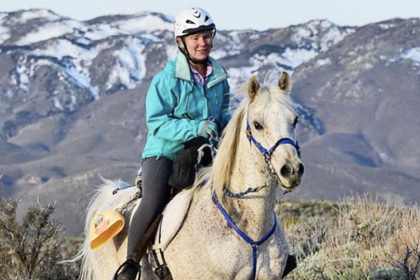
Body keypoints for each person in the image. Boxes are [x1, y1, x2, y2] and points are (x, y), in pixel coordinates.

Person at [115, 7, 231, 280]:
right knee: (155, 200)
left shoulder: (219, 77)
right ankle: (130, 265)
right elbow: (157, 122)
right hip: (164, 152)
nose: (203, 43)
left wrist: (230, 126)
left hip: (202, 153)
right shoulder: (165, 79)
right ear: (181, 42)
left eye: (206, 36)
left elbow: (223, 112)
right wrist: (195, 127)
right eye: (195, 38)